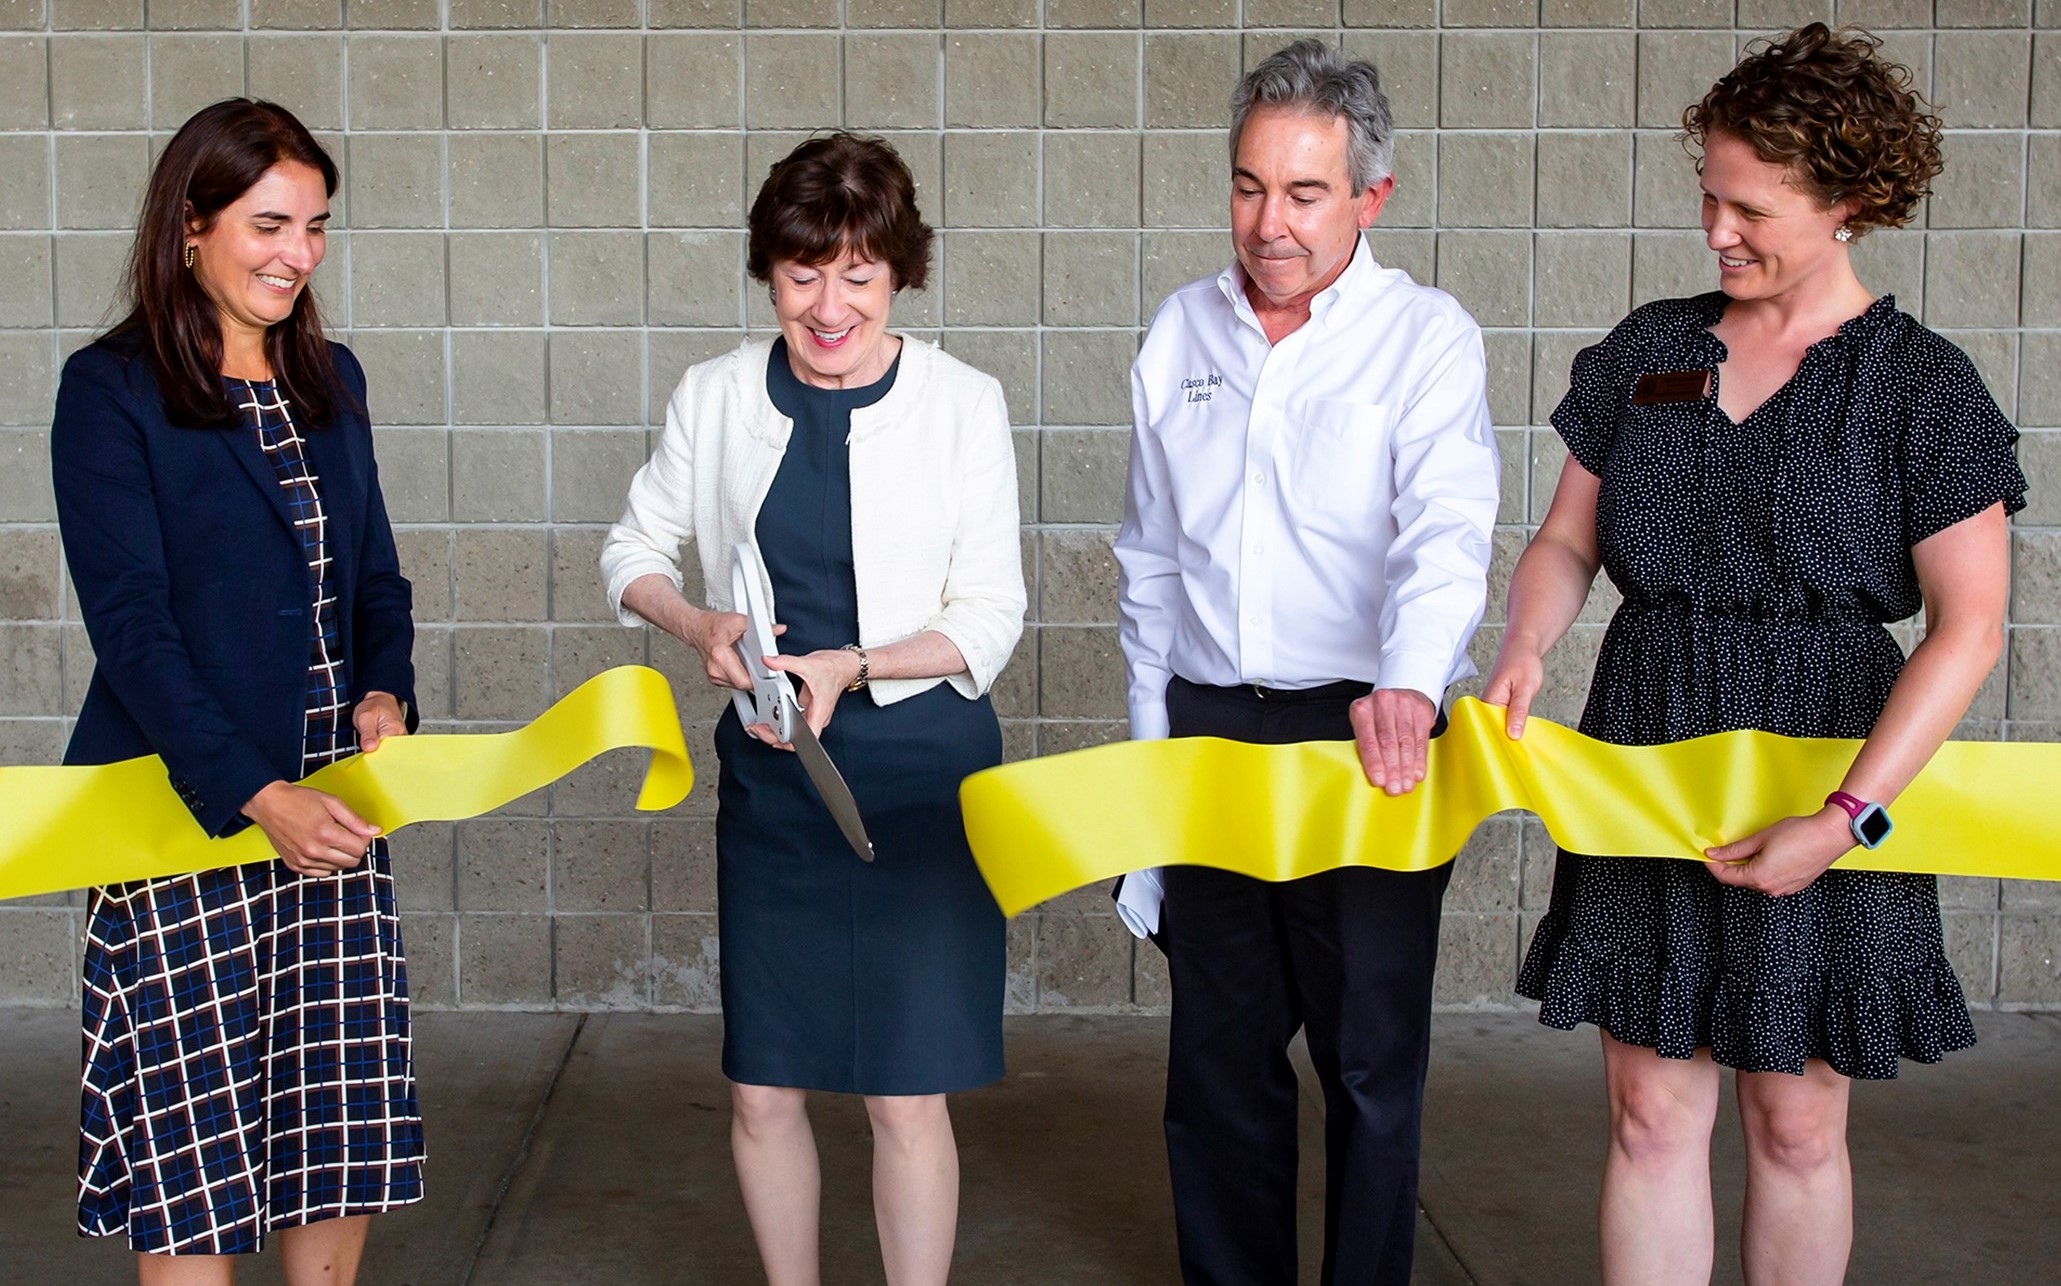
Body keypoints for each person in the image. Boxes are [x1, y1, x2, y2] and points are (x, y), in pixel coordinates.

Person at [1485, 24, 2025, 1285]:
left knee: (1794, 1120)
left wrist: (1848, 815)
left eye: (1750, 206)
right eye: (1708, 196)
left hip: (1830, 750)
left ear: (1848, 202)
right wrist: (1525, 647)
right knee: (1651, 1111)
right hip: (1650, 746)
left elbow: (1970, 626)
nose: (1717, 229)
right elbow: (1568, 541)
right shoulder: (1651, 349)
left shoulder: (1921, 386)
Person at [600, 132, 1024, 1286]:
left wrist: (857, 659)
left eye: (858, 275)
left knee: (905, 1085)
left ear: (899, 277)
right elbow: (631, 550)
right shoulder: (716, 395)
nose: (828, 304)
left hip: (923, 769)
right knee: (764, 1080)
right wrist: (703, 628)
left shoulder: (963, 404)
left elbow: (991, 614)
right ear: (768, 272)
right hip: (779, 768)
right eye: (802, 274)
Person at [1114, 40, 1500, 1286]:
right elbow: (1150, 564)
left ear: (1370, 198)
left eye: (1303, 193)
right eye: (1247, 186)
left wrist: (1407, 677)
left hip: (1369, 733)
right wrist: (1146, 768)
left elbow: (1446, 533)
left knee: (1371, 1062)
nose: (1266, 223)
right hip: (1214, 728)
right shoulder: (1181, 331)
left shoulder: (1426, 340)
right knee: (1218, 1065)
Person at [52, 99, 422, 1283]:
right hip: (194, 814)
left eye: (316, 225)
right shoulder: (110, 390)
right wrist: (258, 790)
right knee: (194, 1160)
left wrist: (383, 692)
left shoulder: (331, 375)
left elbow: (375, 578)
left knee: (332, 1135)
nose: (297, 253)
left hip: (333, 815)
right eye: (269, 223)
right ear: (191, 226)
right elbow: (133, 629)